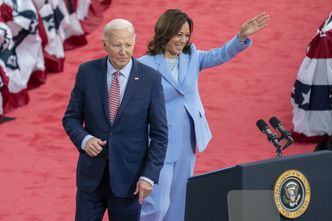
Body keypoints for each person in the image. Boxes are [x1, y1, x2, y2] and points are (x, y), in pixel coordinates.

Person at [138, 9, 270, 221]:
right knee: (156, 205)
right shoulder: (144, 65)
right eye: (178, 34)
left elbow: (220, 54)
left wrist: (241, 37)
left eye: (187, 35)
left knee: (180, 202)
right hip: (159, 142)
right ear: (165, 32)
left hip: (188, 140)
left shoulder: (191, 57)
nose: (183, 40)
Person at [62, 19, 168, 221]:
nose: (123, 51)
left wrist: (149, 176)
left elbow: (160, 134)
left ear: (134, 42)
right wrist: (85, 140)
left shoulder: (150, 79)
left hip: (130, 181)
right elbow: (71, 118)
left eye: (128, 44)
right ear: (105, 45)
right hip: (91, 180)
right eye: (117, 45)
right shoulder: (87, 72)